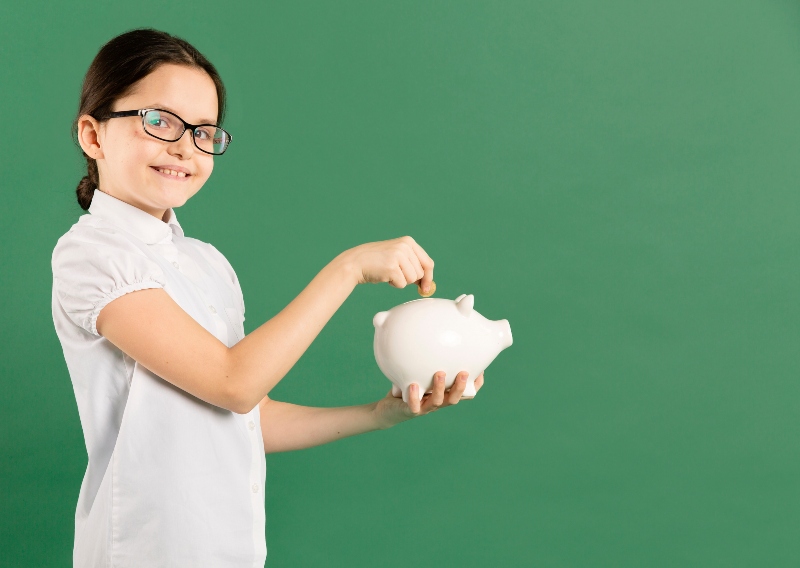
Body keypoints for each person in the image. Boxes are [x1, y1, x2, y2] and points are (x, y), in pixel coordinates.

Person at [51, 28, 485, 567]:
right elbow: (233, 383)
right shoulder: (91, 254)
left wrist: (380, 414)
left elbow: (249, 416)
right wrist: (347, 269)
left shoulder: (206, 262)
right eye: (158, 121)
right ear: (92, 135)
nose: (184, 147)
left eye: (203, 131)